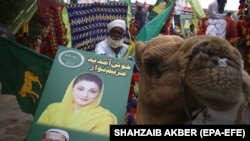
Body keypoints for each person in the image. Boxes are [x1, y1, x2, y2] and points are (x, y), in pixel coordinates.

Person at [37, 72, 117, 136]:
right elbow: (37, 133)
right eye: (80, 89)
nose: (85, 95)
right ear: (71, 89)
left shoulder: (104, 118)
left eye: (92, 91)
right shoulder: (53, 108)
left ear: (99, 95)